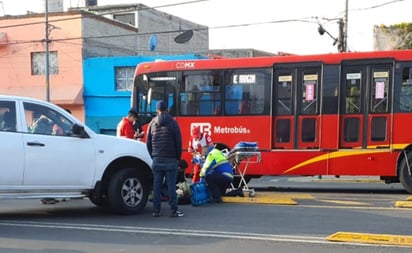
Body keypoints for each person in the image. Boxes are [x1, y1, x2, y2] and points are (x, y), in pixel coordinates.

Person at [146, 100, 184, 217]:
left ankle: (156, 211)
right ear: (167, 109)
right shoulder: (173, 123)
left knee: (156, 187)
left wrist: (153, 156)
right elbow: (178, 143)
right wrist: (177, 158)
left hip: (157, 159)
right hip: (171, 159)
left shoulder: (152, 124)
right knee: (171, 186)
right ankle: (174, 210)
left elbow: (148, 143)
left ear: (157, 110)